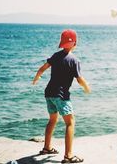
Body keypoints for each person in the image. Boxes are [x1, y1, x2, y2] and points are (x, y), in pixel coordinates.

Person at [32, 29, 91, 163]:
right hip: (61, 95)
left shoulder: (56, 56)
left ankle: (47, 148)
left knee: (52, 120)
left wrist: (36, 78)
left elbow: (42, 68)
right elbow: (79, 79)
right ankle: (68, 156)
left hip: (49, 93)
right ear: (74, 43)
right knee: (70, 123)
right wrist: (87, 87)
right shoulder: (74, 60)